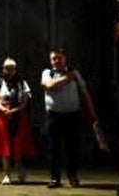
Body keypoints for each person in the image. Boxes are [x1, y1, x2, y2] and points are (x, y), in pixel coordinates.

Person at [41, 48, 99, 188]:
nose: (56, 61)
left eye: (59, 58)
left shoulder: (75, 73)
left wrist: (92, 112)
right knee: (53, 148)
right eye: (54, 58)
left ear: (65, 59)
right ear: (50, 60)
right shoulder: (47, 73)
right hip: (53, 116)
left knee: (72, 147)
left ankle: (72, 176)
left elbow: (85, 93)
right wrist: (68, 77)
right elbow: (50, 86)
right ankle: (55, 178)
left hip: (72, 116)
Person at [0, 57, 35, 184]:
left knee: (18, 143)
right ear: (3, 69)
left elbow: (25, 102)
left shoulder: (22, 83)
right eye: (6, 68)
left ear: (15, 69)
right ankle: (6, 173)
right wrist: (4, 110)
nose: (8, 71)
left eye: (11, 69)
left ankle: (19, 167)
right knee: (4, 144)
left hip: (19, 115)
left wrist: (14, 111)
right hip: (2, 116)